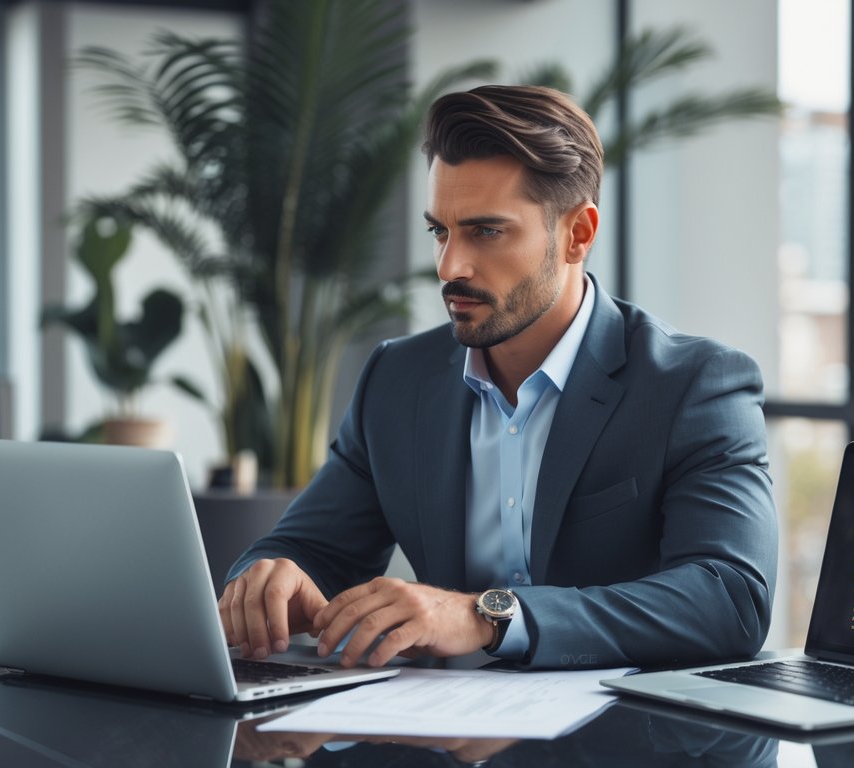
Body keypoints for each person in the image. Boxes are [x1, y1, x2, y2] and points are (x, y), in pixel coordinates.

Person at [219, 84, 777, 670]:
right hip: (435, 743)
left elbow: (729, 598)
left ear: (577, 234)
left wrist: (486, 616)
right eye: (441, 230)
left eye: (486, 231)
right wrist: (272, 581)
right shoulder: (397, 379)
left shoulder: (694, 386)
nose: (449, 266)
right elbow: (308, 548)